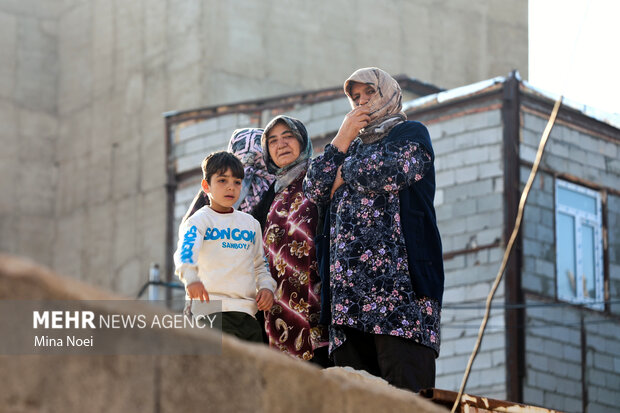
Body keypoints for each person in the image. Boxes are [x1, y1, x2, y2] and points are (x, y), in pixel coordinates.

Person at [303, 67, 444, 391]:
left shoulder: (411, 133)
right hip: (347, 301)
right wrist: (342, 138)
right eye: (355, 98)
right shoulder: (349, 146)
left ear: (388, 93)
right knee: (355, 400)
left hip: (400, 297)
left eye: (369, 93)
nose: (362, 102)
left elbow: (395, 167)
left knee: (406, 398)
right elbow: (314, 188)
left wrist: (344, 173)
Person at [173, 151, 276, 342]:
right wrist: (191, 278)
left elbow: (260, 265)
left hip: (248, 315)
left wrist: (267, 287)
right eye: (222, 180)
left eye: (237, 182)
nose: (231, 187)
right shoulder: (199, 221)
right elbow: (185, 253)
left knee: (251, 370)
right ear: (206, 185)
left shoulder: (250, 224)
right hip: (211, 313)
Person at [251, 115, 329, 365]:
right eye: (272, 140)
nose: (281, 144)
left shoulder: (319, 178)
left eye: (288, 136)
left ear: (302, 140)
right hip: (279, 306)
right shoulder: (269, 196)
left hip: (317, 299)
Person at [181, 128, 275, 222]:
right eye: (223, 180)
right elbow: (190, 227)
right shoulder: (278, 184)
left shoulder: (279, 186)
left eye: (237, 182)